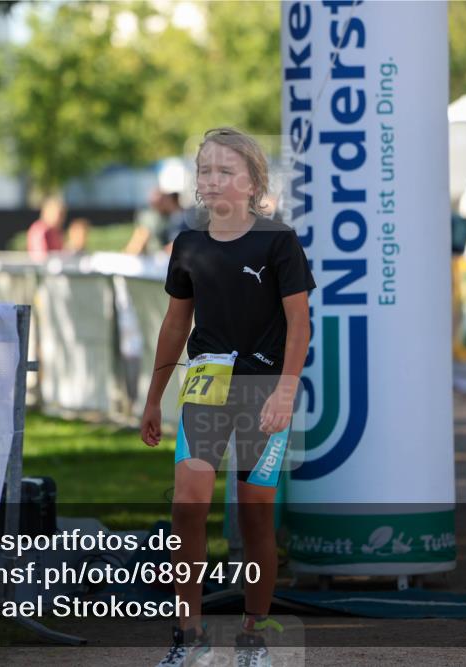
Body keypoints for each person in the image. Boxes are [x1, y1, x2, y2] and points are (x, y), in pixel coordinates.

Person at [141, 128, 315, 667]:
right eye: (205, 171)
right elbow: (175, 326)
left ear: (253, 183)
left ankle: (253, 634)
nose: (213, 181)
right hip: (204, 389)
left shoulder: (278, 241)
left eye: (226, 171)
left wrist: (286, 390)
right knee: (186, 506)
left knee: (255, 516)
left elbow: (299, 324)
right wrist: (153, 398)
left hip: (264, 393)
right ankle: (187, 634)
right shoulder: (187, 245)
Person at [27, 195, 66, 260]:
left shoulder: (56, 232)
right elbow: (40, 257)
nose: (60, 219)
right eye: (59, 214)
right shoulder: (39, 230)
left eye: (62, 215)